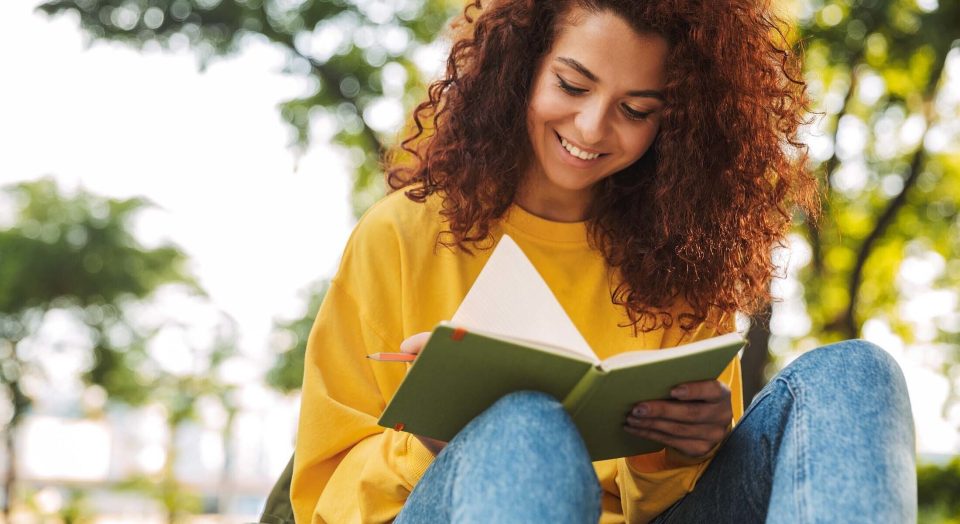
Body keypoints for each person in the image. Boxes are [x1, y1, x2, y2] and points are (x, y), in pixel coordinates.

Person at [289, 0, 917, 522]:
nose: (591, 128)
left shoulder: (681, 261)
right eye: (572, 84)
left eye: (636, 110)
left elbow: (673, 498)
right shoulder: (401, 234)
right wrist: (437, 448)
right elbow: (325, 490)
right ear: (522, 69)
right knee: (528, 427)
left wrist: (674, 453)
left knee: (857, 373)